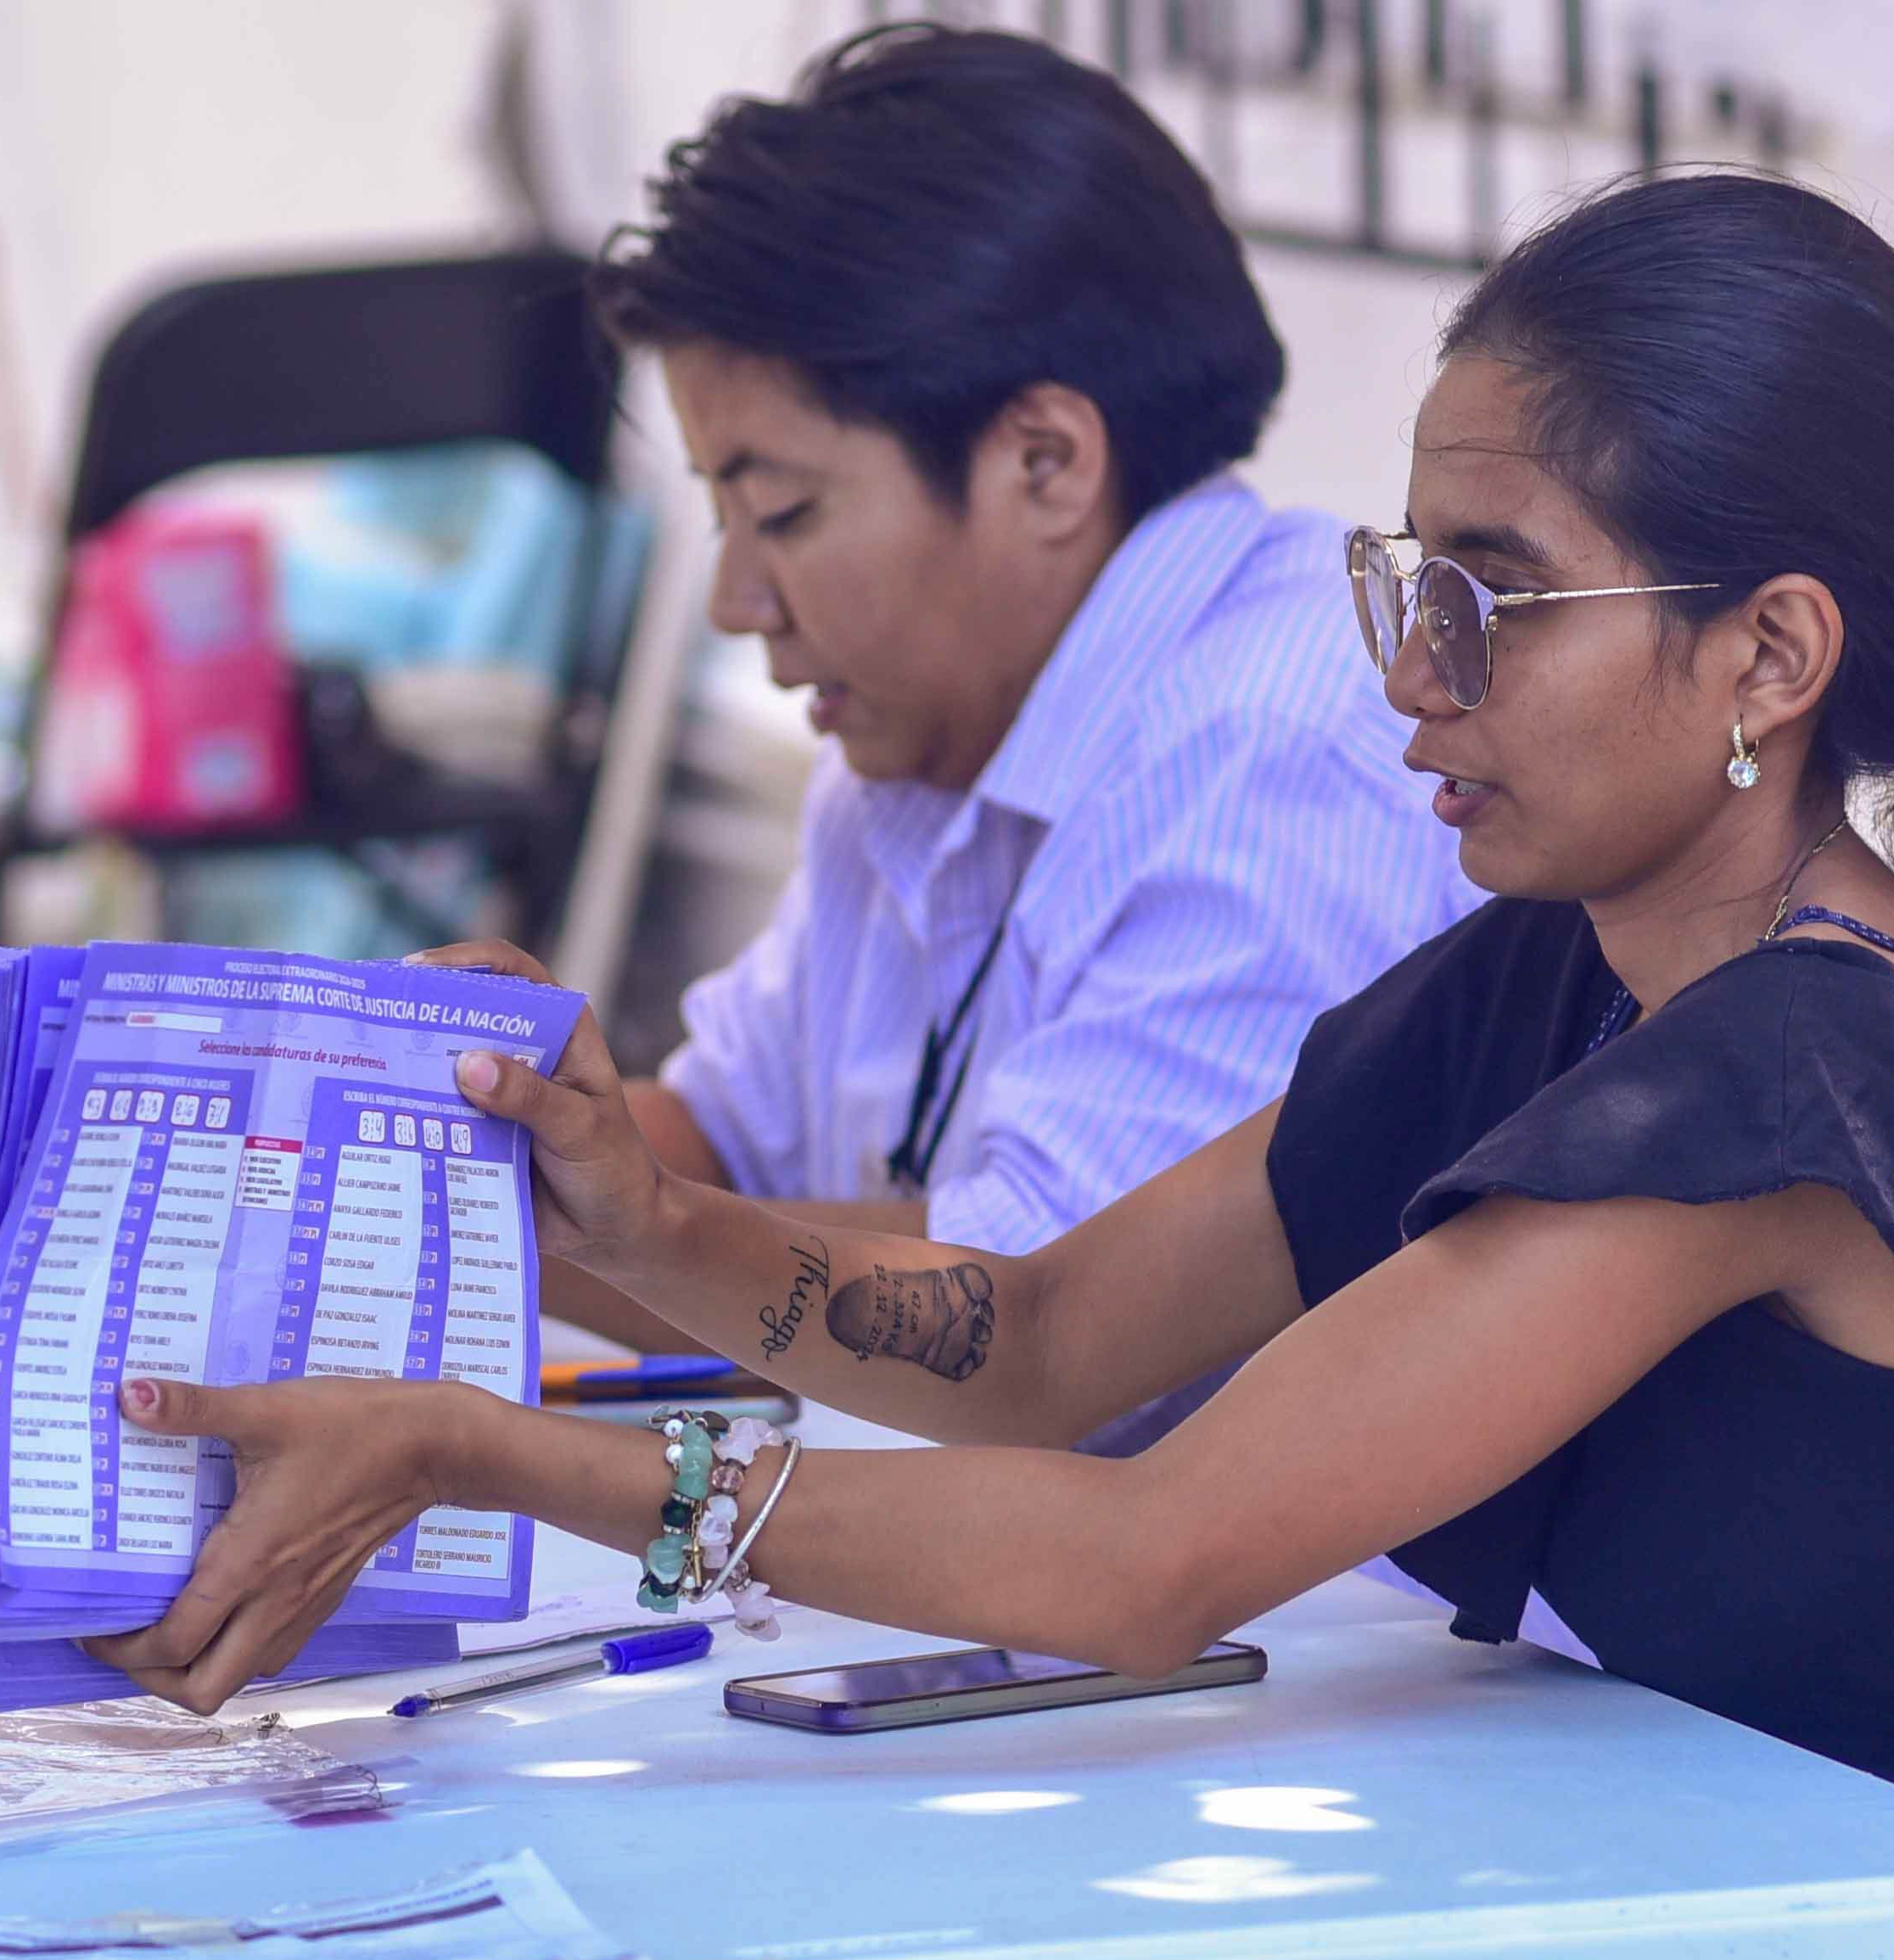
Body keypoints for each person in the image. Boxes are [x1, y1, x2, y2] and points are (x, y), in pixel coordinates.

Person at [94, 169, 1894, 1960]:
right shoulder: (1560, 974)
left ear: (1767, 651)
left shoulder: (1797, 1079)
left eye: (1493, 599)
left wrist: (490, 1450)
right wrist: (639, 1215)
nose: (1411, 682)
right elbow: (1051, 1333)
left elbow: (1145, 1556)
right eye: (1403, 582)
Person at [549, 26, 1473, 1363]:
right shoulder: (917, 748)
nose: (734, 603)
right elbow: (719, 1142)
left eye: (784, 513)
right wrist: (444, 1119)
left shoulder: (1280, 754)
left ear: (1044, 462)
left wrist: (547, 1221)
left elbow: (1030, 1340)